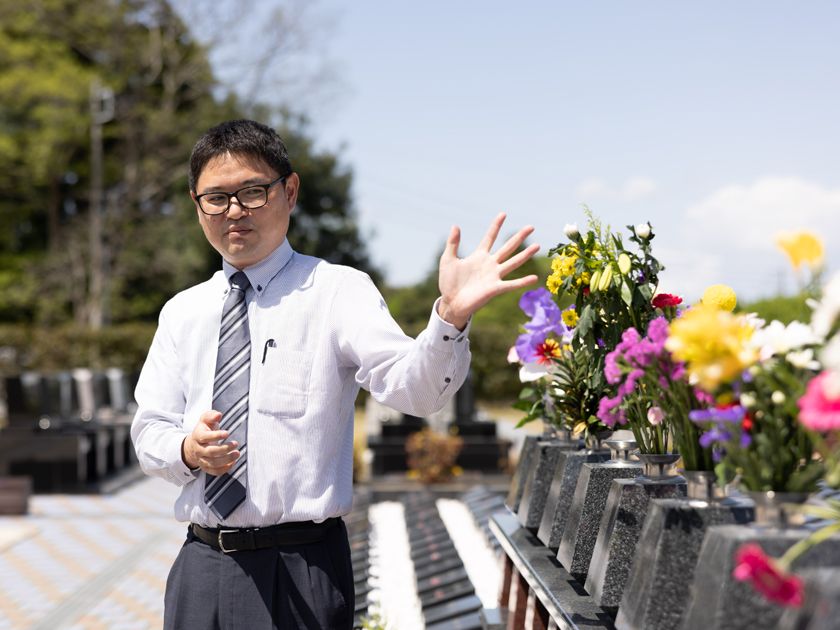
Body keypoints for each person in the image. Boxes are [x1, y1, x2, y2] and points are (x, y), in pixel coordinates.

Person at [131, 119, 539, 629]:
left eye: (253, 192)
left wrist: (450, 317)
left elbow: (415, 391)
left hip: (302, 567)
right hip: (203, 568)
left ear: (291, 191)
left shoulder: (338, 292)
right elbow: (149, 431)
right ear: (197, 205)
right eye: (216, 198)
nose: (234, 211)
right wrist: (188, 451)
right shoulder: (181, 312)